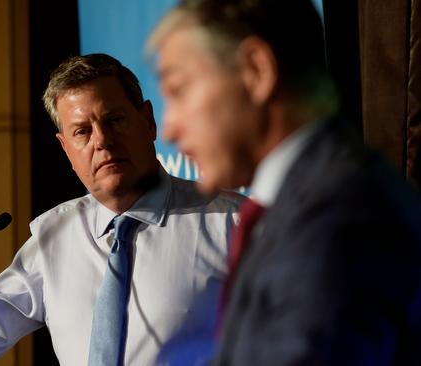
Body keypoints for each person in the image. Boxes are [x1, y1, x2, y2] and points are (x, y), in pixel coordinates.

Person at [0, 53, 241, 365]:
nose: (102, 141)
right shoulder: (55, 237)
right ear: (66, 149)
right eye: (82, 131)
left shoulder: (234, 223)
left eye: (114, 120)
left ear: (148, 121)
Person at [148, 0, 421, 365]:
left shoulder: (342, 217)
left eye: (178, 90)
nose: (169, 127)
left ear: (255, 71)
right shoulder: (298, 203)